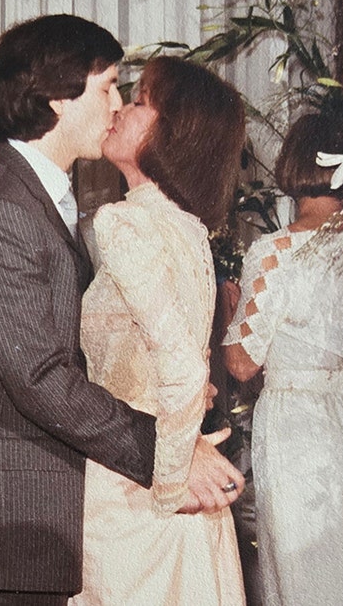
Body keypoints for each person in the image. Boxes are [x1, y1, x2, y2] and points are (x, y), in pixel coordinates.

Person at [0, 14, 244, 606]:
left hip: (55, 512)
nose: (117, 105)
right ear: (57, 98)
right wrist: (168, 453)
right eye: (109, 87)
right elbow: (41, 376)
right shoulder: (4, 212)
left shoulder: (47, 200)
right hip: (14, 517)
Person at [71, 56, 247, 605]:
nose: (119, 109)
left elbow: (186, 369)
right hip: (157, 473)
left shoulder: (123, 221)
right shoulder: (189, 228)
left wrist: (170, 485)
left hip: (133, 498)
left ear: (175, 133)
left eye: (139, 100)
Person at [223, 111, 343, 605]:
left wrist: (227, 308)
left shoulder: (275, 252)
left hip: (299, 430)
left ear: (292, 166)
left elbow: (242, 363)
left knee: (307, 574)